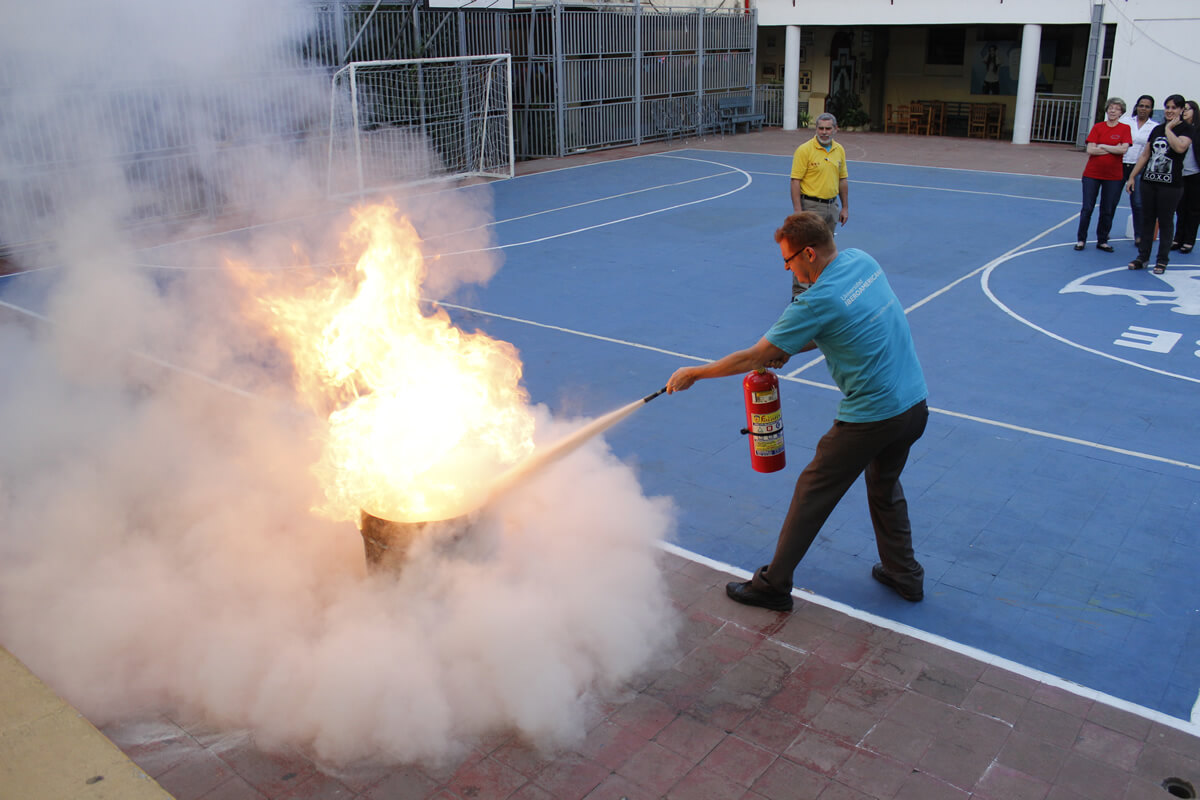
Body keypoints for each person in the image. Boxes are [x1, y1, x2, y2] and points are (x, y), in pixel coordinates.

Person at [665, 212, 929, 610]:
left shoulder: (816, 301)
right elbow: (849, 322)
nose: (788, 268)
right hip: (914, 406)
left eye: (788, 260)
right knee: (884, 485)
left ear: (808, 253)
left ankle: (773, 586)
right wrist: (792, 345)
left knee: (812, 492)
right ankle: (904, 574)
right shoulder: (862, 261)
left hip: (872, 415)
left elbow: (754, 357)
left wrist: (695, 374)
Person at [1125, 94, 1195, 273]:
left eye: (1173, 108)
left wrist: (1170, 130)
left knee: (1165, 222)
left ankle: (1162, 260)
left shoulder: (1186, 129)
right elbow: (1145, 155)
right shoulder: (1156, 129)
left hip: (1171, 185)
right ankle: (1143, 256)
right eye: (1167, 107)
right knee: (1147, 220)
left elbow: (1179, 147)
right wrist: (1132, 176)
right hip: (1149, 182)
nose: (1169, 111)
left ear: (1180, 110)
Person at [789, 113, 849, 298]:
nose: (824, 132)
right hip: (811, 206)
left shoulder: (839, 150)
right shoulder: (804, 150)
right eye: (821, 128)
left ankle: (818, 290)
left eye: (828, 128)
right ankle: (800, 294)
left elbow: (842, 179)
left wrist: (844, 207)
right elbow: (795, 181)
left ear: (835, 129)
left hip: (832, 207)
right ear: (816, 129)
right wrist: (798, 212)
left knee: (825, 251)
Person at [1075, 97, 1131, 252]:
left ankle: (1103, 239)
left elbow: (1124, 149)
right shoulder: (1098, 127)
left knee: (1107, 209)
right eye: (1111, 107)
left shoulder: (1125, 129)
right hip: (1092, 174)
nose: (1113, 110)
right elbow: (1090, 150)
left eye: (1117, 108)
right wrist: (1114, 148)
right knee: (1087, 207)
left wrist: (1104, 146)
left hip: (1113, 176)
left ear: (1121, 112)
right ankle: (1081, 239)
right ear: (1106, 110)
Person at [1120, 95, 1157, 247]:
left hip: (1139, 168)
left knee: (1138, 203)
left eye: (1147, 106)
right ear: (1136, 106)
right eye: (1141, 105)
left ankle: (1139, 236)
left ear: (1151, 109)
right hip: (1120, 164)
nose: (1143, 109)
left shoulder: (1154, 126)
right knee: (1111, 201)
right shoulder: (1125, 122)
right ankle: (1103, 235)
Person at [1170, 99, 1200, 254]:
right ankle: (1178, 238)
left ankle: (1189, 240)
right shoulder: (1178, 129)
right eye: (1184, 109)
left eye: (1188, 109)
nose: (1185, 111)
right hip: (1179, 174)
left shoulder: (1197, 130)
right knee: (1180, 208)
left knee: (1194, 209)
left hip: (1195, 174)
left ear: (1195, 111)